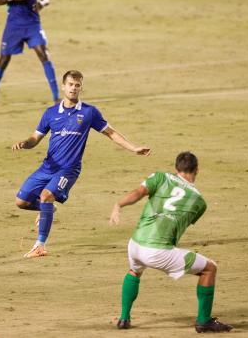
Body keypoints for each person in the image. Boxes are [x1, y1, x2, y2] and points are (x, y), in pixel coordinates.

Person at [12, 70, 151, 258]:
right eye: (70, 84)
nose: (73, 88)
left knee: (46, 195)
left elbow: (110, 132)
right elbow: (34, 138)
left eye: (77, 85)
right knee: (21, 201)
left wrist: (133, 148)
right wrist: (24, 144)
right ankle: (48, 209)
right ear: (63, 86)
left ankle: (40, 246)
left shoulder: (88, 112)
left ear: (81, 88)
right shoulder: (51, 113)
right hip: (47, 167)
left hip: (69, 169)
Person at [109, 151, 233, 333]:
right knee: (209, 268)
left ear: (176, 169)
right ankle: (204, 321)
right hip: (158, 251)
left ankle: (124, 318)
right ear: (197, 170)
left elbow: (138, 192)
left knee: (135, 271)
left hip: (135, 244)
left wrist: (118, 205)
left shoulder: (159, 177)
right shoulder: (199, 202)